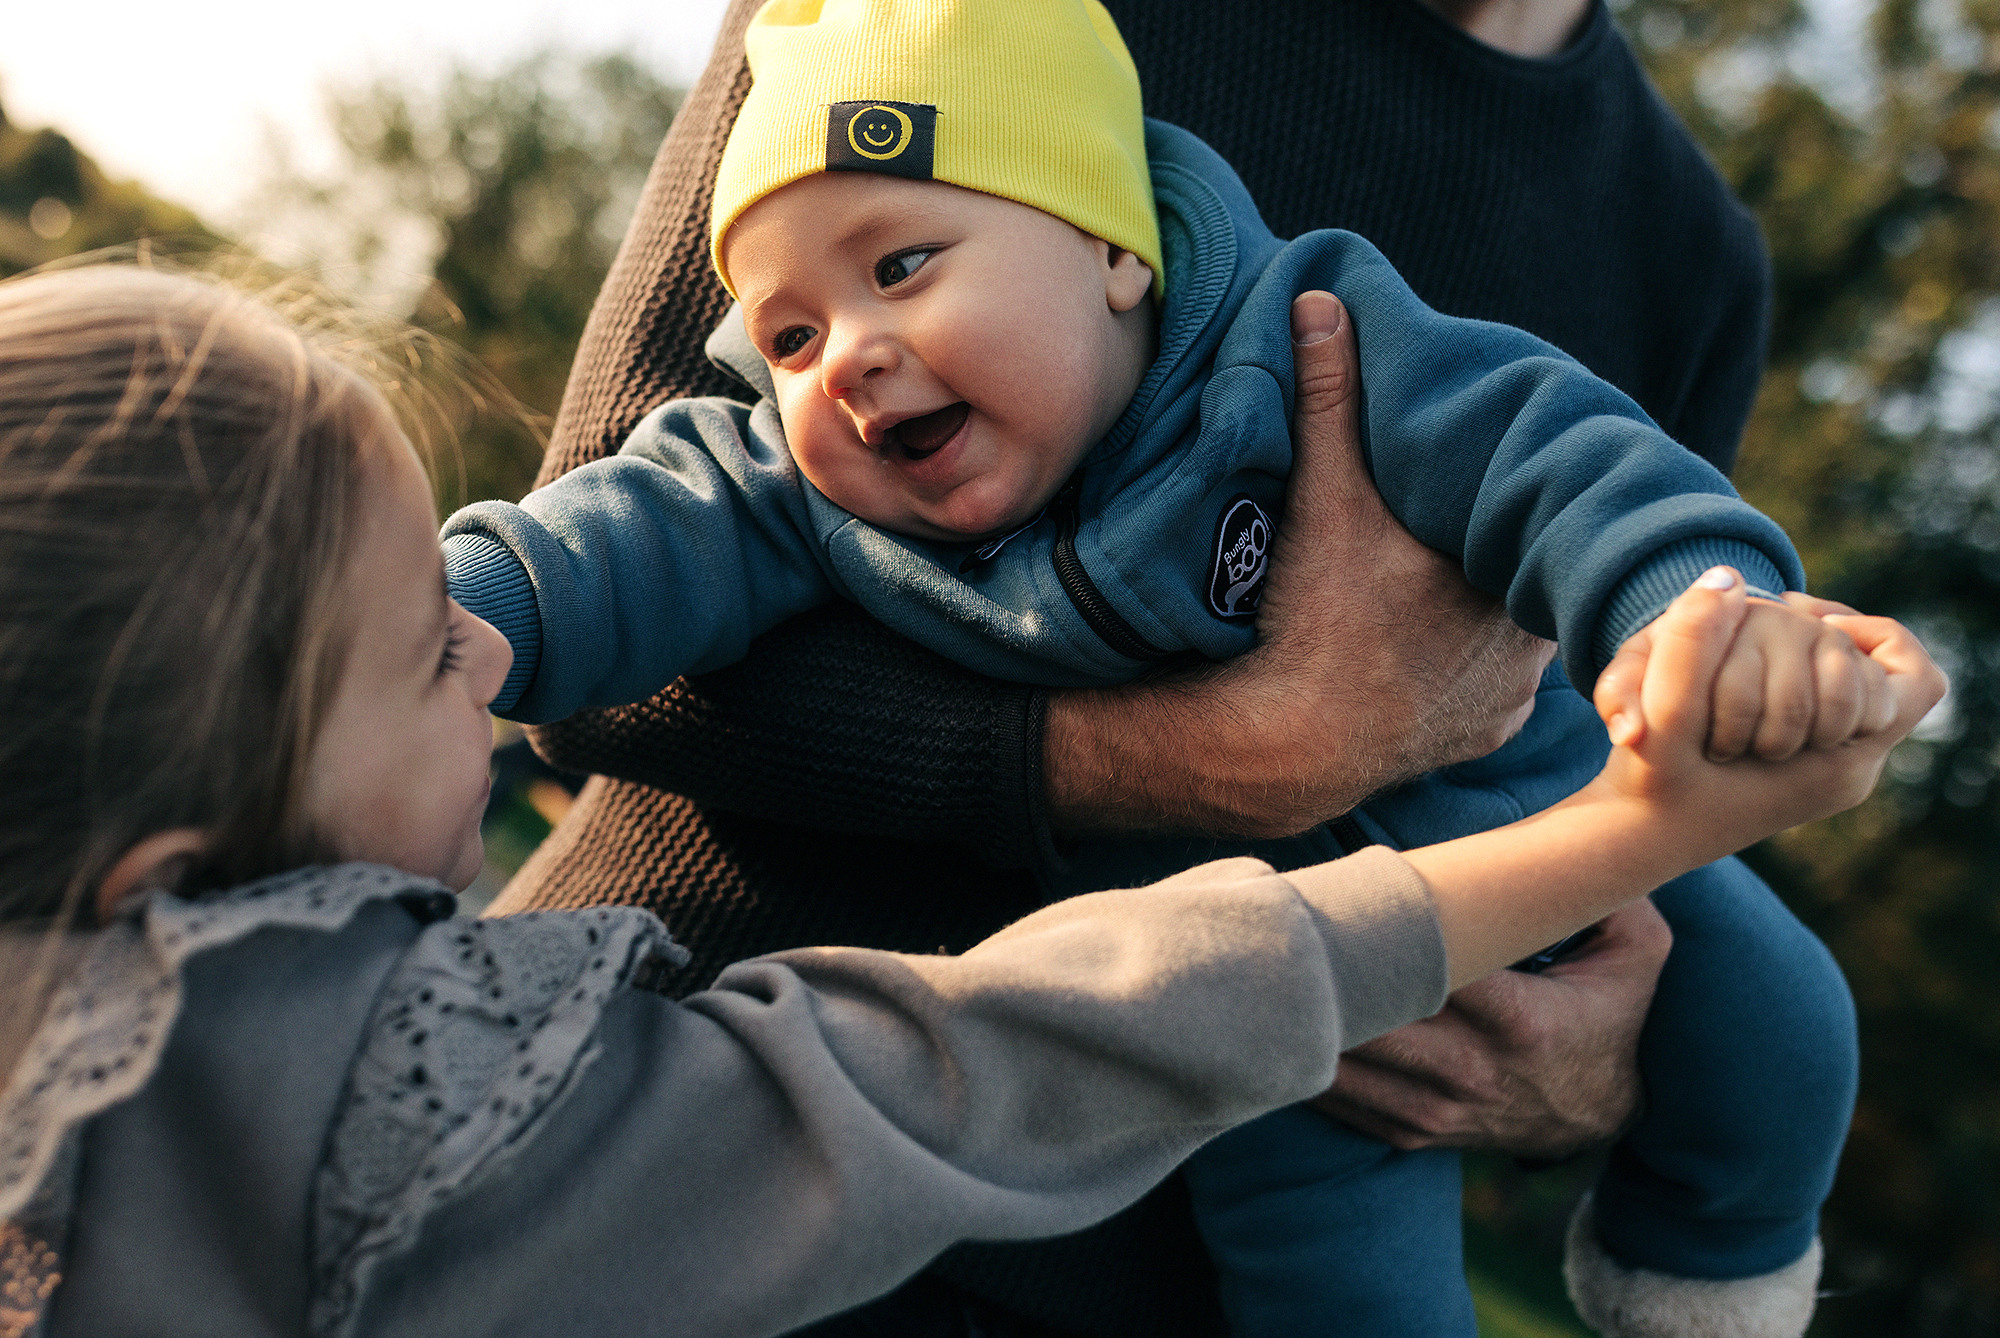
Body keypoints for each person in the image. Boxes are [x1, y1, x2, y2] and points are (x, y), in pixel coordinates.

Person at [0, 264, 1937, 1338]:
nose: (488, 668)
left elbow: (1602, 519)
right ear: (177, 871)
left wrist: (1602, 1059)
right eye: (434, 651)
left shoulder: (1668, 237)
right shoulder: (432, 1127)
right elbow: (982, 1057)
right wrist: (1612, 823)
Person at [442, 1, 1851, 1332]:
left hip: (1362, 996)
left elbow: (1588, 488)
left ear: (1125, 254)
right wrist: (1225, 755)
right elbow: (612, 554)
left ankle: (1707, 1273)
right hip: (710, 1132)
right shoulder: (908, 76)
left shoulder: (1636, 267)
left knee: (1782, 1019)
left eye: (903, 268)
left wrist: (1591, 1059)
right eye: (789, 337)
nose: (845, 358)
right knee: (1332, 1236)